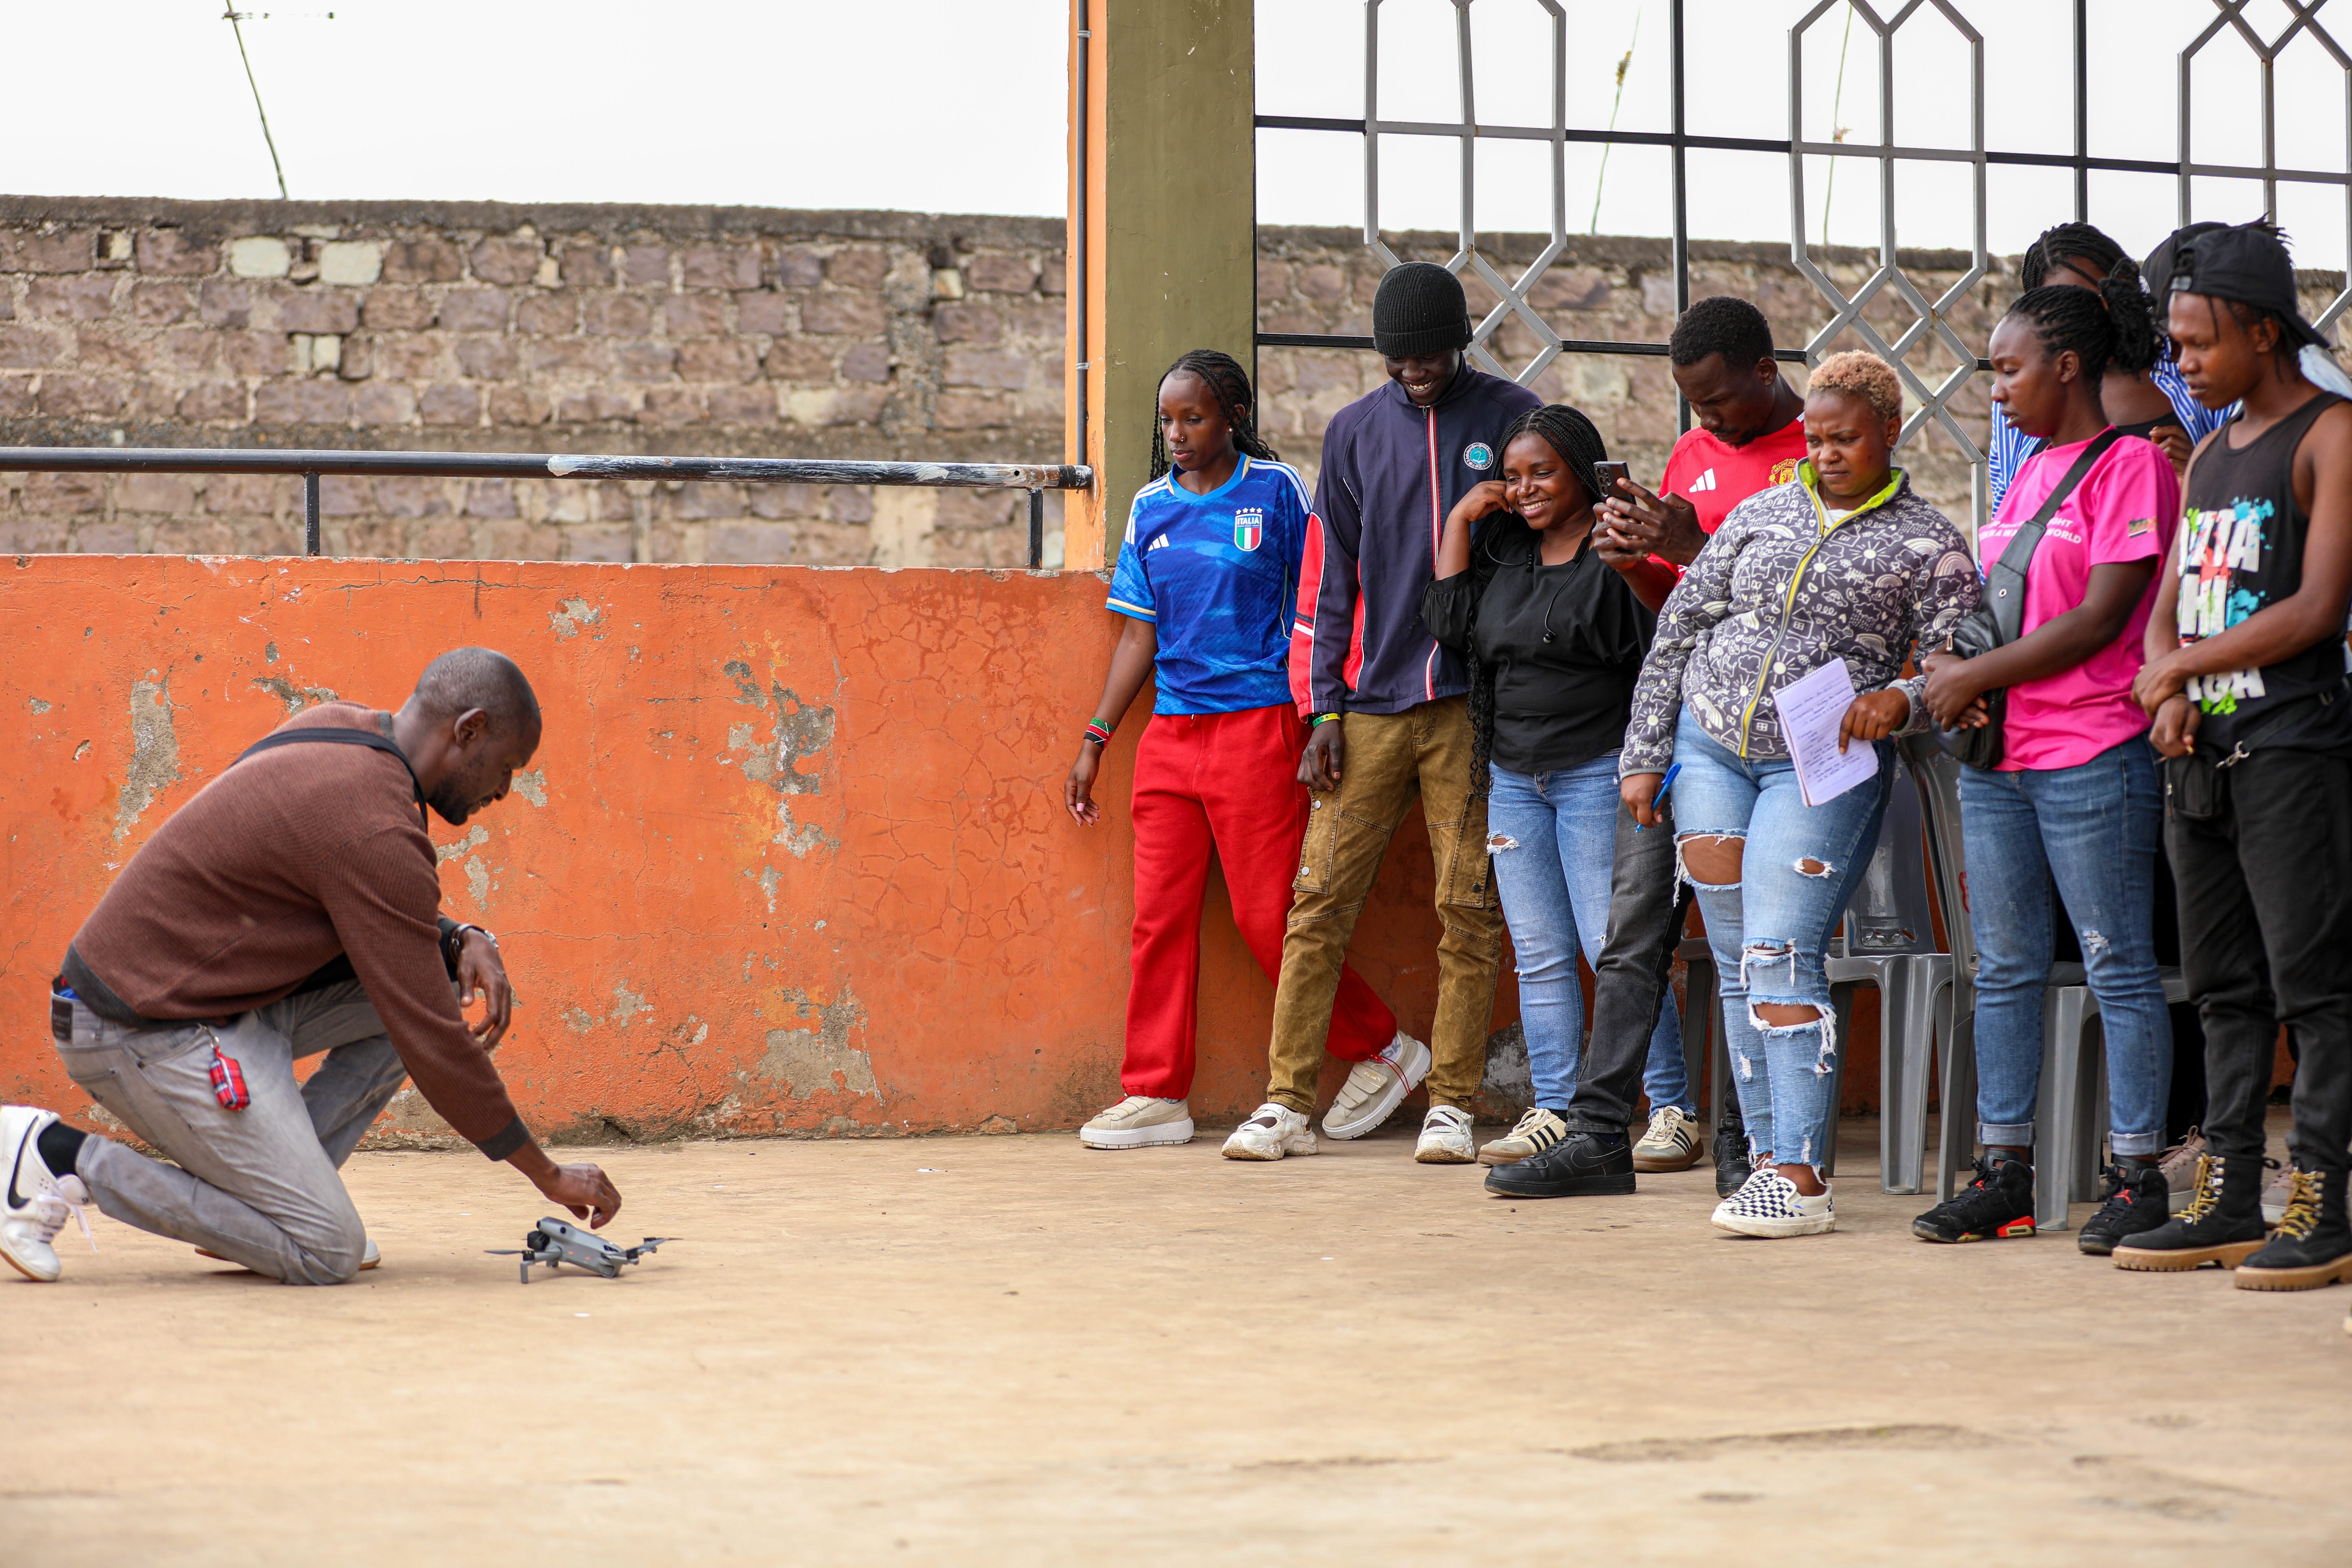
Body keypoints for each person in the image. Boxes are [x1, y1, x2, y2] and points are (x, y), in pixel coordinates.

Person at [1, 650, 621, 1286]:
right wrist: (546, 1174)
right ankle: (48, 1156)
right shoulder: (375, 824)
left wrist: (462, 938)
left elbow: (366, 901)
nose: (505, 790)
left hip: (207, 1002)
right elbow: (434, 1040)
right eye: (507, 766)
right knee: (325, 1249)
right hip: (132, 1025)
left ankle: (268, 1211)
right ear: (469, 730)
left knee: (427, 981)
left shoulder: (344, 730)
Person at [1617, 351, 1981, 1237]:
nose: (1824, 453)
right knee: (1741, 958)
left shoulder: (1927, 543)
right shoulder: (1761, 510)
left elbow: (1958, 657)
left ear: (1890, 433)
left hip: (1818, 766)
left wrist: (1899, 699)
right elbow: (1681, 626)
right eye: (1814, 438)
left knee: (1781, 951)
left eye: (1844, 438)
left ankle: (1805, 1178)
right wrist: (1646, 749)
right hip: (1709, 752)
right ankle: (1772, 1163)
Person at [1225, 262, 1539, 1163]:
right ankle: (1285, 1102)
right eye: (1399, 362)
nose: (1416, 374)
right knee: (1317, 898)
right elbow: (1327, 582)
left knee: (1469, 905)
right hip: (1365, 709)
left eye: (1430, 357)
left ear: (1460, 341)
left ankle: (1450, 1103)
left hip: (1469, 712)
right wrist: (1320, 710)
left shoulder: (1512, 416)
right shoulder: (1355, 432)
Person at [1067, 350, 1408, 1150]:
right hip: (1170, 738)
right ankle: (1155, 1094)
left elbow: (1323, 594)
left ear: (1234, 419)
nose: (1178, 435)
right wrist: (1097, 738)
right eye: (1168, 421)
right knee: (1159, 920)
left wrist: (1320, 712)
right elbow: (1138, 630)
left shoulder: (1277, 492)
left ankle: (1384, 1049)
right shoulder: (1150, 507)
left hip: (1259, 727)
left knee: (1268, 918)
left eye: (1195, 418)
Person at [1909, 280, 2181, 1253]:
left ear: (2067, 366)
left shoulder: (2132, 470)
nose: (1996, 391)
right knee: (2007, 969)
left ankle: (2136, 1174)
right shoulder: (2027, 474)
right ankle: (2005, 1175)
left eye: (2008, 368)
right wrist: (1958, 670)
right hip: (2003, 760)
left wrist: (1974, 672)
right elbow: (2009, 606)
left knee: (2117, 961)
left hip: (2093, 755)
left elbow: (2100, 617)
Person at [2115, 221, 2352, 1291]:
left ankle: (2320, 1200)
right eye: (2174, 342)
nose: (2184, 363)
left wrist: (2179, 671)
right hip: (2197, 756)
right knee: (2221, 985)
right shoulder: (2206, 451)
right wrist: (2166, 681)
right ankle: (2221, 1196)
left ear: (2263, 332)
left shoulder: (2327, 434)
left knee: (2311, 981)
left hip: (2291, 746)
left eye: (2201, 342)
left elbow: (2313, 606)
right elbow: (2168, 599)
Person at [1530, 296, 1810, 1195]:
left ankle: (1747, 1140)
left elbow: (1801, 614)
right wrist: (1639, 564)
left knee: (1747, 943)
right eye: (1692, 402)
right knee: (1632, 928)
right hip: (1681, 726)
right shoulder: (1692, 456)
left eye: (1720, 400)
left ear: (1766, 373)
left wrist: (1692, 544)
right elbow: (1684, 609)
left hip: (1773, 741)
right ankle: (1602, 1132)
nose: (1705, 420)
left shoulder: (1820, 455)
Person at [1418, 404, 1683, 1168]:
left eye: (1543, 472)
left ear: (1583, 471)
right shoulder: (1506, 553)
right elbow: (1447, 621)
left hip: (1598, 771)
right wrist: (1465, 515)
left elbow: (1657, 653)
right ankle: (1556, 1108)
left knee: (1616, 949)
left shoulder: (1614, 557)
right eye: (1513, 476)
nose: (1525, 488)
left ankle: (1670, 1106)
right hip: (1512, 777)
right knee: (1537, 952)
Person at [1988, 223, 2225, 500]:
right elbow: (2006, 514)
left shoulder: (2190, 373)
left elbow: (2244, 491)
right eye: (2060, 312)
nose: (2080, 319)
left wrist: (2198, 467)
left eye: (2090, 300)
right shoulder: (2021, 393)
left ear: (2124, 286)